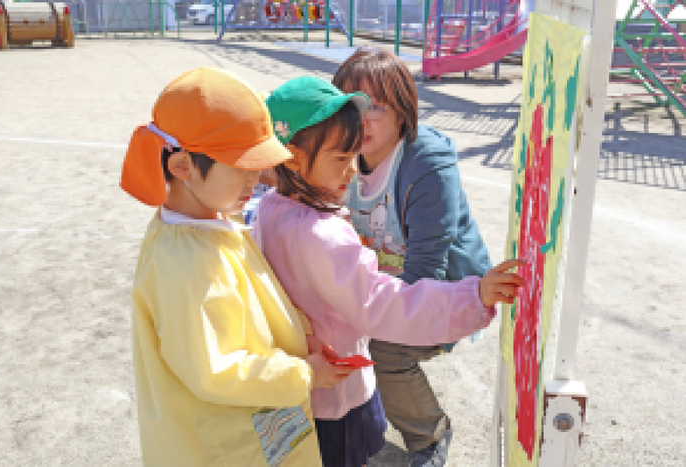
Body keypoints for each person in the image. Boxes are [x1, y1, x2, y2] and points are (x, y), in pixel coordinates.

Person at [256, 76, 523, 467]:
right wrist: (472, 296)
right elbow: (383, 304)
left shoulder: (270, 208)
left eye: (353, 156)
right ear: (293, 159)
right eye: (340, 159)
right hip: (339, 397)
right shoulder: (323, 235)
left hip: (301, 385)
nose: (352, 171)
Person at [119, 68, 354, 467]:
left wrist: (299, 340)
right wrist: (303, 374)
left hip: (251, 428)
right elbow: (217, 370)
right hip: (223, 447)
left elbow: (252, 304)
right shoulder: (185, 264)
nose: (256, 178)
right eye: (242, 166)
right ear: (182, 167)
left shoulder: (213, 216)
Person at [332, 48, 494, 466]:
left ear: (402, 111)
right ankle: (349, 423)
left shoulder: (426, 162)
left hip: (444, 291)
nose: (361, 119)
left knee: (381, 347)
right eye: (351, 105)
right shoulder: (337, 150)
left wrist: (363, 313)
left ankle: (429, 435)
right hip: (377, 284)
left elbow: (427, 271)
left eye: (376, 107)